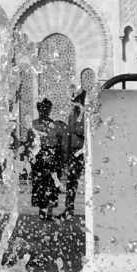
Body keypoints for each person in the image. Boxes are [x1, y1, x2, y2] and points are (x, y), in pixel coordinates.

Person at [26, 97, 65, 219]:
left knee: (51, 183)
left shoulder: (54, 124)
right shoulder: (34, 124)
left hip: (51, 155)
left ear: (49, 110)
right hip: (39, 156)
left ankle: (49, 211)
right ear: (39, 110)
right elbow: (29, 142)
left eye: (47, 109)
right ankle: (42, 210)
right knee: (40, 183)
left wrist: (59, 158)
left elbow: (59, 142)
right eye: (42, 109)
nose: (44, 111)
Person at [63, 88, 87, 217]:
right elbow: (70, 132)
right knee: (71, 181)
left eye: (76, 100)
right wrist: (66, 153)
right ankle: (69, 209)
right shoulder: (72, 114)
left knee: (85, 180)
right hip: (73, 151)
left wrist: (82, 112)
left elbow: (80, 130)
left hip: (82, 151)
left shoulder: (85, 114)